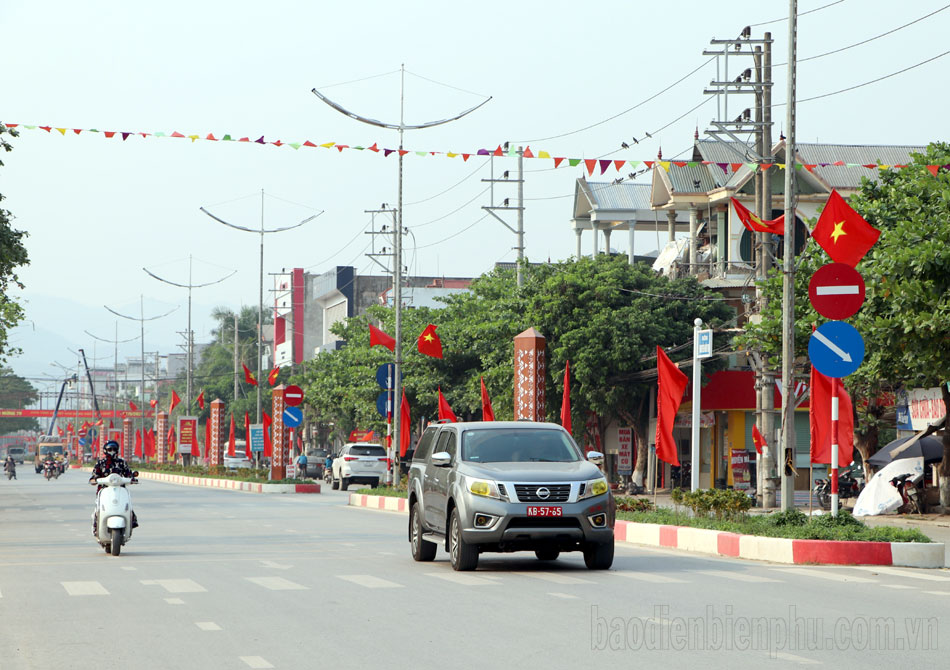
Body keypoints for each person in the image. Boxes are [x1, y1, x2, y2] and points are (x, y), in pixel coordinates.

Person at [89, 440, 138, 533]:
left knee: (128, 507)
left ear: (117, 450)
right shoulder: (100, 463)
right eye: (109, 449)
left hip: (120, 490)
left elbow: (128, 474)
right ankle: (96, 527)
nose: (112, 451)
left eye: (114, 449)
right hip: (104, 491)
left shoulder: (121, 462)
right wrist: (94, 480)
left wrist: (132, 478)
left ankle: (131, 522)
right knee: (98, 510)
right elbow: (94, 476)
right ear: (105, 450)